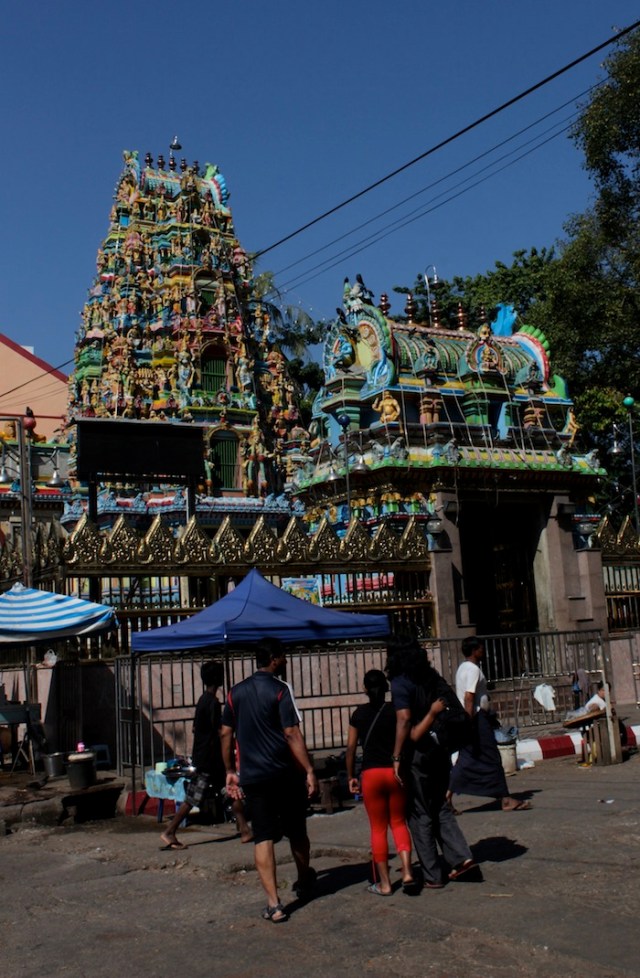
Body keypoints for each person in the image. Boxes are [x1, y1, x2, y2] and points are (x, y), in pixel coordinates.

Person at [220, 638, 318, 923]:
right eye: (283, 656)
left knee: (262, 836)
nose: (285, 660)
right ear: (274, 659)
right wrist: (309, 769)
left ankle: (274, 904)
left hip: (253, 777)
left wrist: (229, 768)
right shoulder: (280, 690)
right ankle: (303, 879)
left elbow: (225, 733)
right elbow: (291, 733)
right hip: (284, 773)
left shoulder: (234, 693)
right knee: (297, 830)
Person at [387, 637, 477, 888]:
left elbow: (405, 720)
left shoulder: (400, 682)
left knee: (419, 814)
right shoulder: (430, 677)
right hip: (441, 751)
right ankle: (462, 858)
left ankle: (432, 874)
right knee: (440, 806)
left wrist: (396, 756)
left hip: (418, 754)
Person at [160, 660, 251, 851]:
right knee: (194, 797)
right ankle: (170, 831)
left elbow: (197, 728)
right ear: (218, 679)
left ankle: (244, 829)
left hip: (210, 759)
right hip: (209, 760)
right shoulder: (212, 703)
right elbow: (218, 730)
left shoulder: (203, 700)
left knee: (230, 791)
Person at [345, 669, 416, 896]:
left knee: (378, 828)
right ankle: (407, 872)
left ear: (365, 689)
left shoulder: (358, 714)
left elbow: (350, 749)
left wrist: (350, 776)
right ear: (386, 688)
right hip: (394, 772)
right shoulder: (395, 711)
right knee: (398, 822)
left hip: (371, 774)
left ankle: (385, 884)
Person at [449, 636, 531, 812]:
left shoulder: (463, 668)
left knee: (467, 758)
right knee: (492, 757)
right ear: (474, 650)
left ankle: (446, 797)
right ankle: (506, 799)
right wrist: (470, 723)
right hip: (476, 720)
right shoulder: (472, 670)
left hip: (474, 719)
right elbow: (469, 698)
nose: (483, 651)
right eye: (480, 648)